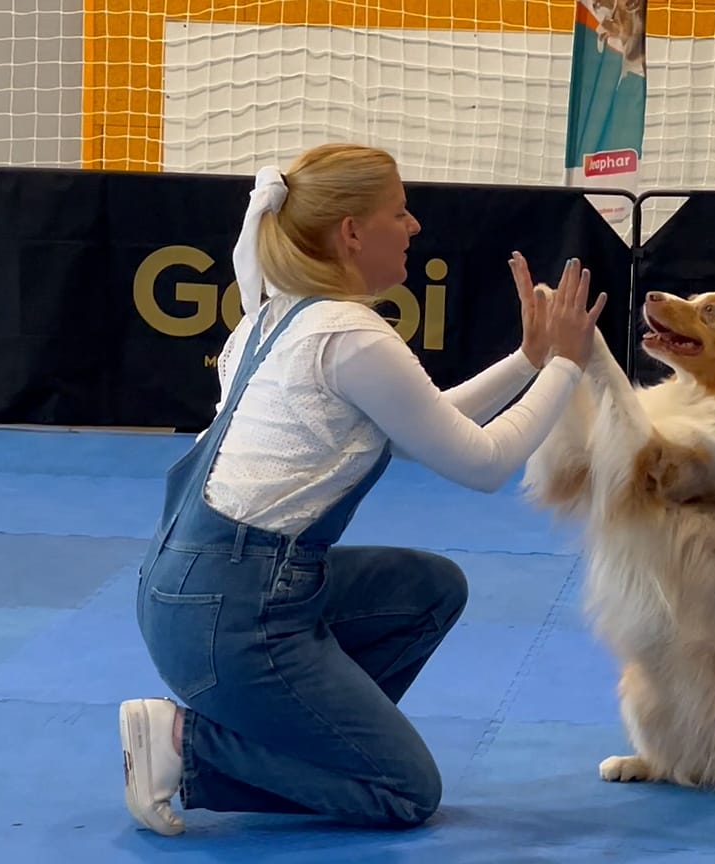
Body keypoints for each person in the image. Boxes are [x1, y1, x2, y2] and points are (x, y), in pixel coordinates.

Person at [118, 142, 607, 836]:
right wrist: (565, 364)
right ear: (352, 232)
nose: (413, 228)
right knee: (403, 792)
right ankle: (185, 746)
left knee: (428, 589)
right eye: (400, 213)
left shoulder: (276, 315)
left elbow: (419, 427)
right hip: (232, 614)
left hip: (186, 591)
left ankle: (306, 740)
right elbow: (485, 463)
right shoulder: (351, 334)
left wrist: (529, 361)